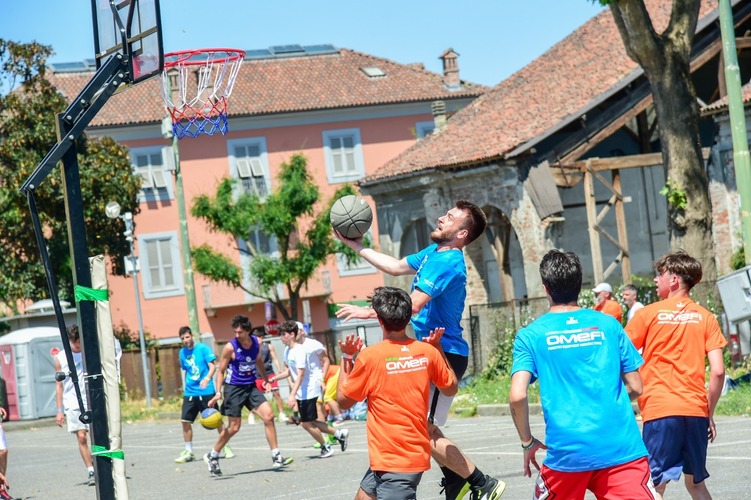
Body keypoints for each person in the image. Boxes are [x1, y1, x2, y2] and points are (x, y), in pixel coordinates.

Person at [336, 200, 504, 499]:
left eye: (449, 217)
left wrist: (369, 312)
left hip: (443, 352)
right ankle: (455, 480)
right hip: (428, 349)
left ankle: (482, 483)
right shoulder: (434, 253)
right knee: (418, 425)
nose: (441, 218)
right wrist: (356, 246)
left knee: (423, 428)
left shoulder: (447, 262)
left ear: (462, 233)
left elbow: (412, 304)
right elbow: (396, 266)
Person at [509, 250, 658, 499]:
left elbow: (517, 396)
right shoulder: (609, 325)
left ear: (546, 288)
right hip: (621, 448)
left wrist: (527, 441)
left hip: (567, 453)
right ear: (580, 286)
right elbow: (636, 386)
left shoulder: (530, 334)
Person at [337, 286, 459, 500]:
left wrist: (347, 357)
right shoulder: (427, 351)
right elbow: (450, 388)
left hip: (395, 460)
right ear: (408, 317)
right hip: (397, 457)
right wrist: (438, 347)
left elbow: (343, 402)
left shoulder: (370, 357)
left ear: (380, 321)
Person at [625, 250, 726, 498]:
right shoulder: (706, 317)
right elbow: (718, 371)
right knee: (696, 484)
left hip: (660, 410)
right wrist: (708, 413)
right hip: (695, 410)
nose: (655, 280)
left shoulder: (648, 314)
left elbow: (620, 354)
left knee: (654, 486)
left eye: (660, 274)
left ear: (673, 280)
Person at [204, 315, 293, 476]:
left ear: (248, 330)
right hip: (234, 388)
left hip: (250, 386)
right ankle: (213, 455)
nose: (237, 335)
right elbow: (221, 371)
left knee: (269, 416)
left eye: (239, 332)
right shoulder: (230, 347)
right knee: (234, 427)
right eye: (235, 332)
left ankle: (276, 455)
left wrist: (266, 380)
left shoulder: (256, 343)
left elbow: (257, 360)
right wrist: (218, 393)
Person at [274, 321, 348, 458]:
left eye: (283, 334)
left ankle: (326, 446)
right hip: (303, 390)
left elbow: (306, 371)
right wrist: (273, 379)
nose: (280, 337)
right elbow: (290, 371)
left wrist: (321, 379)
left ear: (293, 334)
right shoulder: (287, 351)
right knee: (311, 421)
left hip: (311, 387)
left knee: (306, 422)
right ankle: (338, 434)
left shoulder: (306, 347)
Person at [174, 326, 234, 463]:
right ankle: (189, 451)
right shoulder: (182, 353)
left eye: (187, 337)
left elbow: (213, 366)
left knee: (217, 419)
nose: (185, 340)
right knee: (185, 421)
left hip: (206, 390)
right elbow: (186, 370)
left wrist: (206, 378)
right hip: (190, 391)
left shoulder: (203, 348)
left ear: (192, 336)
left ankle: (226, 447)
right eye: (182, 338)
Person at [54, 324, 96, 486]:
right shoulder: (61, 358)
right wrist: (59, 411)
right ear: (69, 341)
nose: (77, 345)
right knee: (81, 436)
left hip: (90, 398)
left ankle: (101, 463)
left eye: (79, 341)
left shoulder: (89, 352)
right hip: (72, 400)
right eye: (74, 342)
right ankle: (91, 470)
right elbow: (59, 385)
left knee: (96, 435)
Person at [251, 327, 288, 423]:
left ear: (261, 337)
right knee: (257, 397)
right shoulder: (251, 348)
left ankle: (281, 414)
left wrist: (279, 367)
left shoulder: (268, 346)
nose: (256, 340)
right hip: (257, 375)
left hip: (269, 373)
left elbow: (275, 358)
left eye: (257, 337)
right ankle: (253, 414)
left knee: (277, 393)